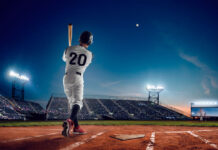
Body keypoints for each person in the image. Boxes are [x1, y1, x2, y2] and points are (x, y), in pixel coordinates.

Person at [62, 31, 93, 136]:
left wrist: (70, 49)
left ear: (79, 39)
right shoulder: (90, 55)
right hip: (78, 77)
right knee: (78, 103)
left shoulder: (68, 49)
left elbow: (64, 59)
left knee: (72, 104)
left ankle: (77, 127)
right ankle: (70, 121)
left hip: (66, 77)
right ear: (90, 41)